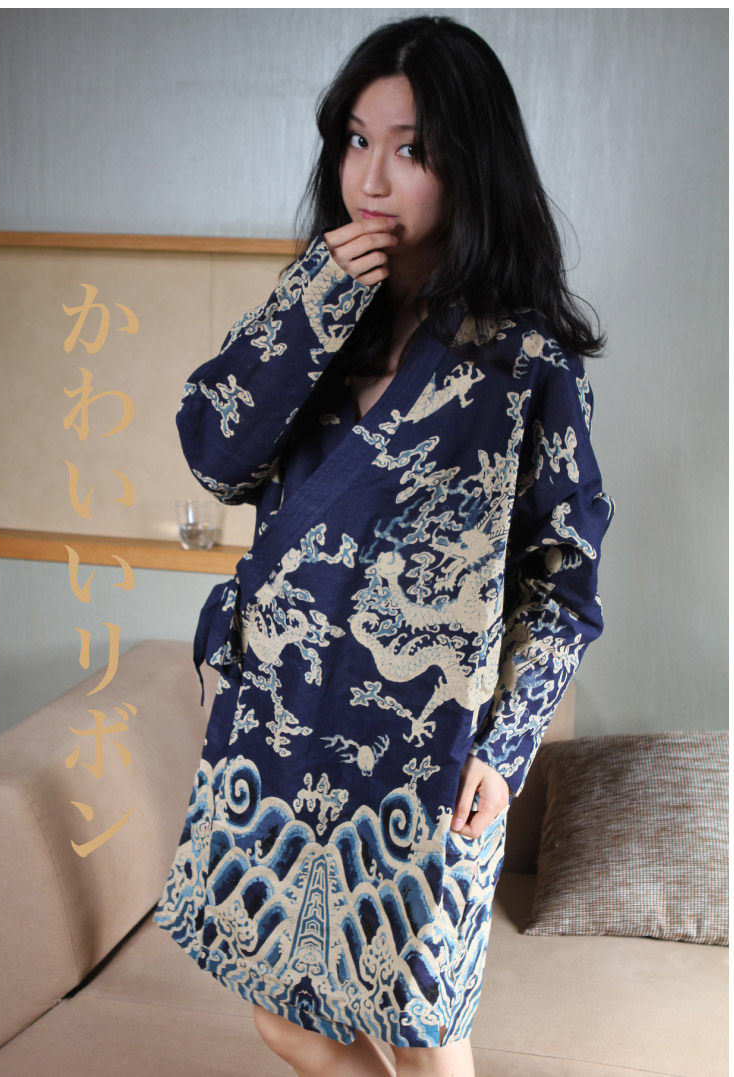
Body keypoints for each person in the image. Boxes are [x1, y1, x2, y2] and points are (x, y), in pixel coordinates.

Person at [153, 15, 614, 1077]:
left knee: (424, 1034)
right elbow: (214, 454)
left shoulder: (526, 364)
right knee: (285, 1020)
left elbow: (565, 585)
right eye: (356, 141)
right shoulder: (320, 317)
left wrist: (506, 751)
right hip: (280, 727)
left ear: (471, 165)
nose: (371, 177)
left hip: (430, 751)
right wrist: (313, 304)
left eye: (411, 149)